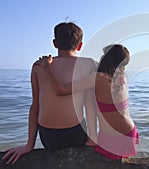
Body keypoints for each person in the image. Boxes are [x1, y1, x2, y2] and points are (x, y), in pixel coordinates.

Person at [2, 22, 97, 164]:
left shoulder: (38, 66)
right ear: (80, 45)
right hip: (75, 134)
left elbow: (35, 106)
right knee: (89, 99)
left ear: (55, 43)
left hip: (48, 137)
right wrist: (92, 137)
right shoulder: (89, 64)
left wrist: (29, 145)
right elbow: (90, 106)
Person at [40, 44, 139, 160]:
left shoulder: (97, 78)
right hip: (129, 131)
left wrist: (47, 66)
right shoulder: (122, 78)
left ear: (106, 58)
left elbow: (61, 90)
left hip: (114, 137)